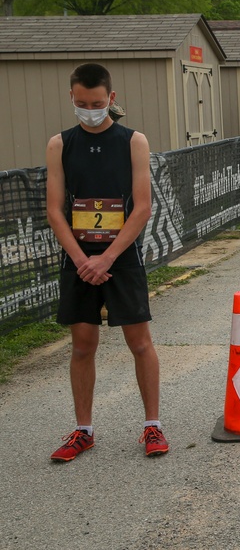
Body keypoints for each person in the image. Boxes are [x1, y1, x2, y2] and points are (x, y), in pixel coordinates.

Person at [45, 63, 168, 461]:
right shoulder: (59, 144)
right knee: (82, 345)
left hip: (121, 256)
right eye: (81, 104)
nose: (89, 110)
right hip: (79, 259)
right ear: (71, 99)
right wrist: (83, 260)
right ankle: (84, 429)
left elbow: (143, 206)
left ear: (111, 99)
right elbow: (54, 209)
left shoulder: (134, 141)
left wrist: (108, 257)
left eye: (97, 103)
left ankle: (152, 425)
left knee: (139, 342)